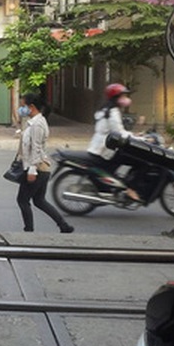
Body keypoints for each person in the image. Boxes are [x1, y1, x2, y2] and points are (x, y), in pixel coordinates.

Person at [16, 93, 74, 233]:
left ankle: (28, 230)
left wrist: (32, 171)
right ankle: (63, 226)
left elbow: (36, 148)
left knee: (23, 200)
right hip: (41, 167)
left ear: (32, 107)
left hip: (37, 168)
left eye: (23, 106)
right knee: (39, 201)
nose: (21, 109)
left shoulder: (37, 124)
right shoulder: (34, 122)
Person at [86, 83, 142, 202]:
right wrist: (139, 139)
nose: (125, 99)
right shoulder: (113, 112)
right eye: (122, 96)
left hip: (99, 147)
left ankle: (120, 186)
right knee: (138, 162)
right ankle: (129, 189)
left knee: (117, 166)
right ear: (116, 97)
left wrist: (133, 135)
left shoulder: (105, 109)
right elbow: (118, 132)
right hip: (106, 149)